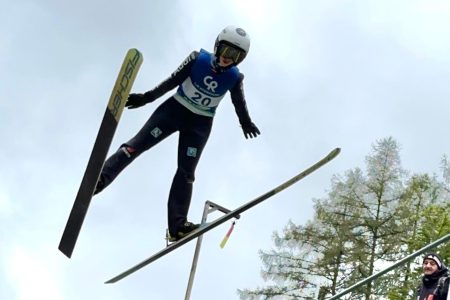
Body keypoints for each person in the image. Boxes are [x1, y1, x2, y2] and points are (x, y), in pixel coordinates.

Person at [94, 25, 260, 242]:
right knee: (136, 146)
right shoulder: (197, 59)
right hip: (173, 112)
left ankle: (177, 227)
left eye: (236, 55)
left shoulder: (235, 77)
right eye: (227, 51)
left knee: (186, 173)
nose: (228, 58)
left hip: (199, 125)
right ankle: (99, 180)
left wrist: (245, 123)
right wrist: (147, 97)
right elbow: (172, 80)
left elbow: (239, 102)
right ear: (217, 46)